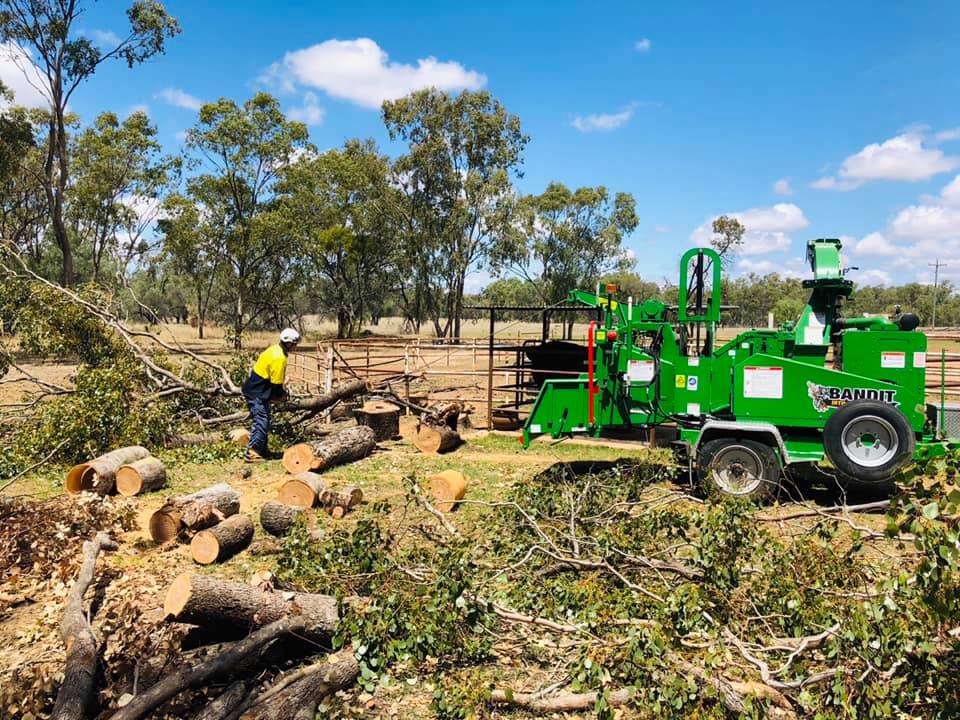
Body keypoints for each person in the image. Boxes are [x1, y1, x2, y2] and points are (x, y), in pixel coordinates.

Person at [242, 328, 301, 462]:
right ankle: (252, 452)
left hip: (259, 389)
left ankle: (262, 450)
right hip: (257, 392)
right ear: (290, 343)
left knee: (265, 420)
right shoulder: (279, 357)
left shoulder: (276, 349)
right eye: (295, 344)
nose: (295, 347)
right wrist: (281, 396)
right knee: (261, 420)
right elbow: (276, 385)